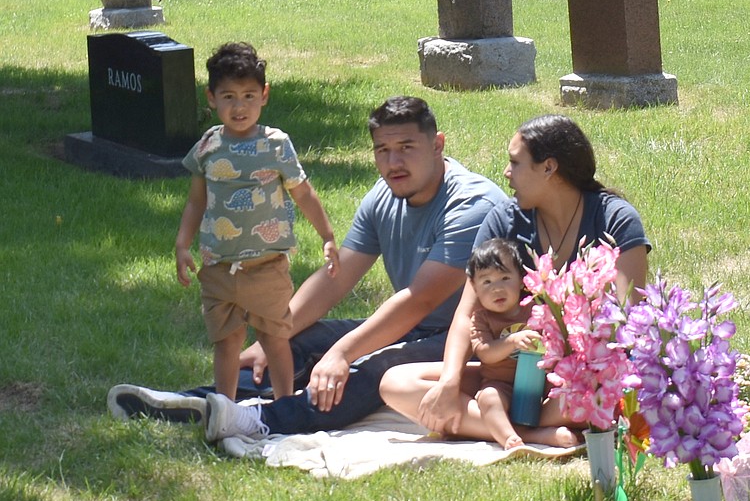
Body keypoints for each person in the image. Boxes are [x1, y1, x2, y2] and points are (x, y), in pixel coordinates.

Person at [107, 96, 508, 444]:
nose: (393, 162)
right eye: (382, 150)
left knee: (371, 365)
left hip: (472, 339)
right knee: (296, 341)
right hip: (417, 325)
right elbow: (337, 277)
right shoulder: (384, 195)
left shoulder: (471, 205)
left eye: (406, 147)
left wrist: (342, 352)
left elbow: (421, 299)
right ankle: (201, 402)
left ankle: (262, 421)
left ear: (437, 145)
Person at [380, 114, 651, 447]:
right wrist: (450, 383)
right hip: (508, 374)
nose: (507, 174)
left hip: (582, 378)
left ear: (549, 167)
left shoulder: (615, 219)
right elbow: (467, 313)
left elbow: (626, 321)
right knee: (396, 383)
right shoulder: (506, 220)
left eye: (515, 163)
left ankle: (498, 426)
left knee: (601, 397)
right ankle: (531, 434)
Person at [174, 41, 339, 401]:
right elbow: (195, 201)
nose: (239, 106)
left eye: (249, 96)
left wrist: (326, 235)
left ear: (264, 95)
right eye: (229, 96)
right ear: (211, 98)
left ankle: (285, 405)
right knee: (226, 341)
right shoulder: (207, 146)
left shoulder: (276, 144)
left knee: (276, 339)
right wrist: (183, 244)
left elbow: (304, 193)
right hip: (218, 266)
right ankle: (225, 406)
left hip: (267, 267)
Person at [464, 237, 542, 449]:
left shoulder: (535, 309)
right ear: (475, 287)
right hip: (501, 385)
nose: (497, 289)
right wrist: (512, 341)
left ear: (521, 280)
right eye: (486, 282)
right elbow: (485, 353)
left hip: (540, 385)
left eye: (505, 278)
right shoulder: (481, 318)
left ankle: (544, 432)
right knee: (488, 399)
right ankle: (509, 438)